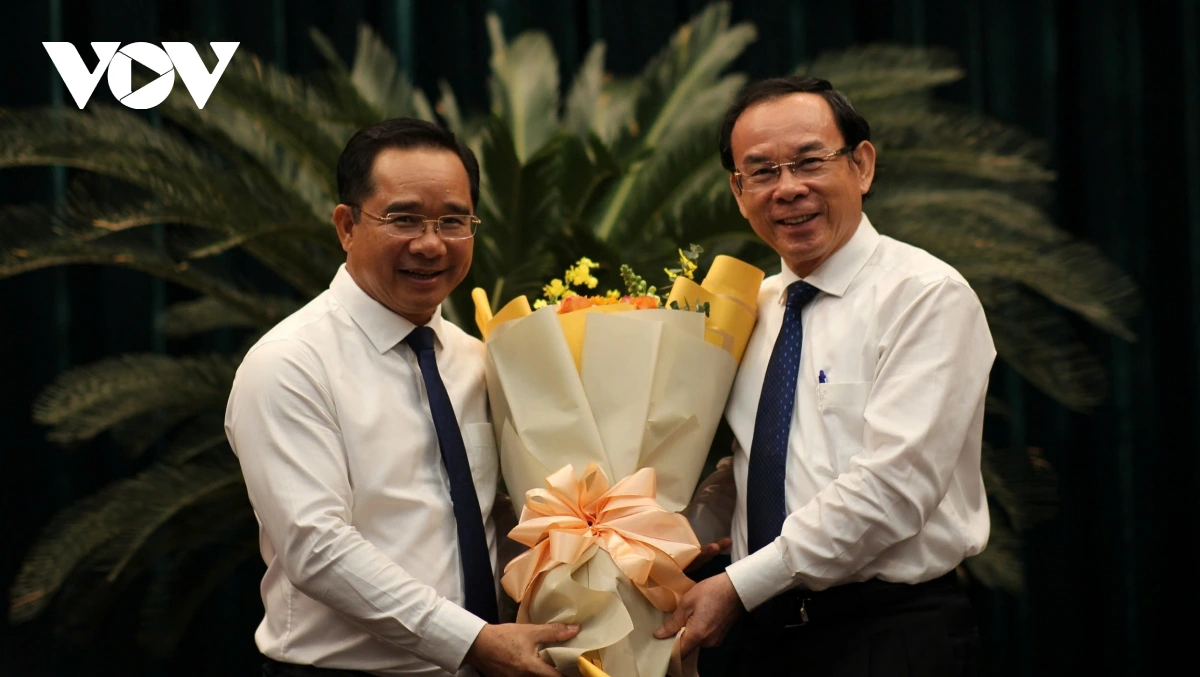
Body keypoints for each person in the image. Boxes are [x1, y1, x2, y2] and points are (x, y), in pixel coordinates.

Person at [656, 76, 996, 676]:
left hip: (887, 636)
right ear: (738, 191)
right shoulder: (752, 309)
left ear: (861, 165)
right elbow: (754, 462)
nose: (788, 188)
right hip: (759, 641)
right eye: (762, 172)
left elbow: (893, 489)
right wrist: (651, 542)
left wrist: (738, 585)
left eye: (810, 161)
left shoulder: (926, 296)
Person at [225, 117, 579, 677]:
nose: (431, 244)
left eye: (453, 221)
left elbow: (493, 518)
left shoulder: (475, 358)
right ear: (346, 226)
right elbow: (317, 548)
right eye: (404, 218)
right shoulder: (290, 363)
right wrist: (470, 641)